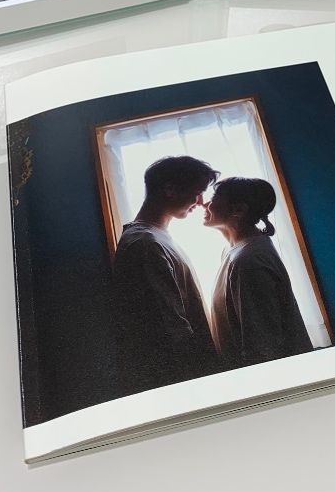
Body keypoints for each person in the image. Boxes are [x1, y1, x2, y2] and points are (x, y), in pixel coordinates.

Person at [112, 156, 220, 394]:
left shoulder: (156, 237)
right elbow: (170, 326)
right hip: (180, 379)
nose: (201, 202)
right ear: (170, 189)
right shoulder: (145, 244)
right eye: (197, 192)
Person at [203, 177, 313, 369]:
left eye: (214, 198)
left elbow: (263, 344)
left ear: (239, 210)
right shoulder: (236, 251)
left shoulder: (249, 261)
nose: (205, 204)